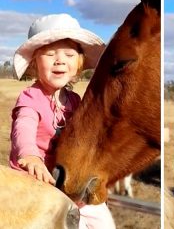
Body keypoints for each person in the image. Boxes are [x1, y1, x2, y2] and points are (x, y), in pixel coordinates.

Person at [9, 13, 116, 229]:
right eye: (49, 54)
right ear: (34, 63)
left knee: (103, 221)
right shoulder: (31, 97)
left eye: (69, 54)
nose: (60, 60)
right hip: (35, 178)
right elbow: (24, 127)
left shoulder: (75, 101)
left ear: (78, 63)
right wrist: (30, 155)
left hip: (69, 178)